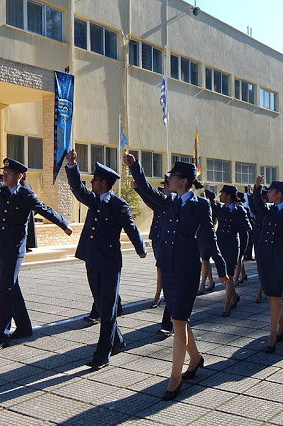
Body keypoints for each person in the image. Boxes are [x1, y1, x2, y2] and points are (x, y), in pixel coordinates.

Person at [126, 155, 227, 401]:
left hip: (186, 270)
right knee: (178, 319)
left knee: (179, 320)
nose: (167, 179)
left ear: (183, 181)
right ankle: (195, 358)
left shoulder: (200, 205)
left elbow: (209, 237)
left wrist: (221, 268)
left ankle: (175, 378)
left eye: (171, 176)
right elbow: (149, 193)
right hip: (169, 268)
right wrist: (135, 167)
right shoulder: (169, 201)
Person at [0, 150, 72, 353]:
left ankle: (2, 334)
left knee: (5, 288)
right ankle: (24, 327)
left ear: (19, 176)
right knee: (11, 285)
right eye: (4, 171)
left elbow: (44, 209)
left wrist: (63, 224)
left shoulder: (26, 194)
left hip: (15, 247)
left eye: (8, 172)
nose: (4, 175)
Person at [65, 151, 146, 370]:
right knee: (101, 306)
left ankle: (102, 354)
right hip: (92, 259)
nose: (91, 182)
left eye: (94, 179)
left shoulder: (118, 205)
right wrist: (72, 165)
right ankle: (117, 340)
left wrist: (141, 248)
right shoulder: (92, 199)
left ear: (104, 183)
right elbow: (78, 190)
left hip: (109, 262)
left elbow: (131, 227)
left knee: (108, 308)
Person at [252, 177, 283, 352]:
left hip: (280, 261)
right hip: (264, 258)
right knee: (270, 296)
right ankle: (282, 324)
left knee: (275, 296)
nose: (268, 193)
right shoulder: (268, 210)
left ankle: (272, 337)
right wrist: (257, 188)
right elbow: (257, 205)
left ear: (279, 194)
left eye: (271, 191)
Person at [131, 177, 173, 338]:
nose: (163, 188)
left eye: (166, 185)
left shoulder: (173, 203)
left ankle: (168, 320)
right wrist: (138, 189)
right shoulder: (162, 200)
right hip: (158, 239)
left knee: (169, 280)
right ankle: (159, 297)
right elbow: (150, 199)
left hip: (171, 245)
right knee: (160, 269)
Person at [210, 184, 250, 316]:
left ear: (228, 196)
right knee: (226, 273)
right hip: (221, 244)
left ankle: (227, 305)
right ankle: (234, 296)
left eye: (222, 194)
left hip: (233, 244)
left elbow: (246, 230)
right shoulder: (219, 208)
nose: (220, 196)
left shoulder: (240, 210)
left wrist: (243, 250)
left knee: (229, 274)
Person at [198, 189, 217, 294]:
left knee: (205, 259)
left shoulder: (211, 207)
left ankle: (202, 284)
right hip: (200, 234)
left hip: (207, 235)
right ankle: (210, 281)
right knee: (205, 260)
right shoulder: (202, 205)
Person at [19, 174, 37, 250]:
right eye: (24, 174)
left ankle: (28, 245)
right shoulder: (17, 185)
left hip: (29, 211)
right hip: (20, 212)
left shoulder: (27, 185)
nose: (25, 175)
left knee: (29, 229)